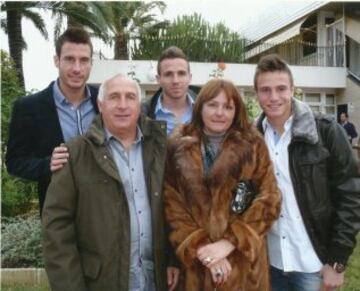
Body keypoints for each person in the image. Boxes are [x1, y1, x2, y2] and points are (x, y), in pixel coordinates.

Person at [42, 75, 178, 291]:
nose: (123, 105)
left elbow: (175, 209)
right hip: (103, 281)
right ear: (100, 104)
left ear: (139, 105)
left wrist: (173, 259)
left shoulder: (161, 148)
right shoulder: (75, 154)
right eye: (114, 97)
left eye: (130, 97)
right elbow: (57, 229)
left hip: (156, 279)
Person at [254, 54, 360, 291]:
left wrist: (338, 261)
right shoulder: (252, 139)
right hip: (271, 265)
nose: (274, 97)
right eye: (265, 90)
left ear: (292, 89)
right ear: (256, 94)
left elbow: (350, 197)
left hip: (313, 265)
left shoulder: (325, 131)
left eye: (281, 88)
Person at [163, 78, 281, 290]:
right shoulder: (177, 146)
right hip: (196, 269)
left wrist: (230, 242)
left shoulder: (253, 144)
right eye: (212, 105)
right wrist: (205, 249)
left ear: (236, 111)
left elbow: (269, 198)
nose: (220, 113)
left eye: (228, 107)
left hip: (243, 270)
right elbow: (172, 205)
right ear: (200, 107)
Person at [5, 27, 98, 214]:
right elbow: (14, 161)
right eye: (69, 59)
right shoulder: (28, 107)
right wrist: (47, 165)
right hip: (58, 214)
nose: (77, 68)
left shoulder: (105, 99)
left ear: (91, 63)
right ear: (57, 61)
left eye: (84, 60)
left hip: (103, 210)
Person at [141, 46, 196, 135]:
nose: (175, 81)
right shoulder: (143, 113)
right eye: (168, 74)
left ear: (190, 78)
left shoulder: (205, 108)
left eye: (181, 73)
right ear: (158, 79)